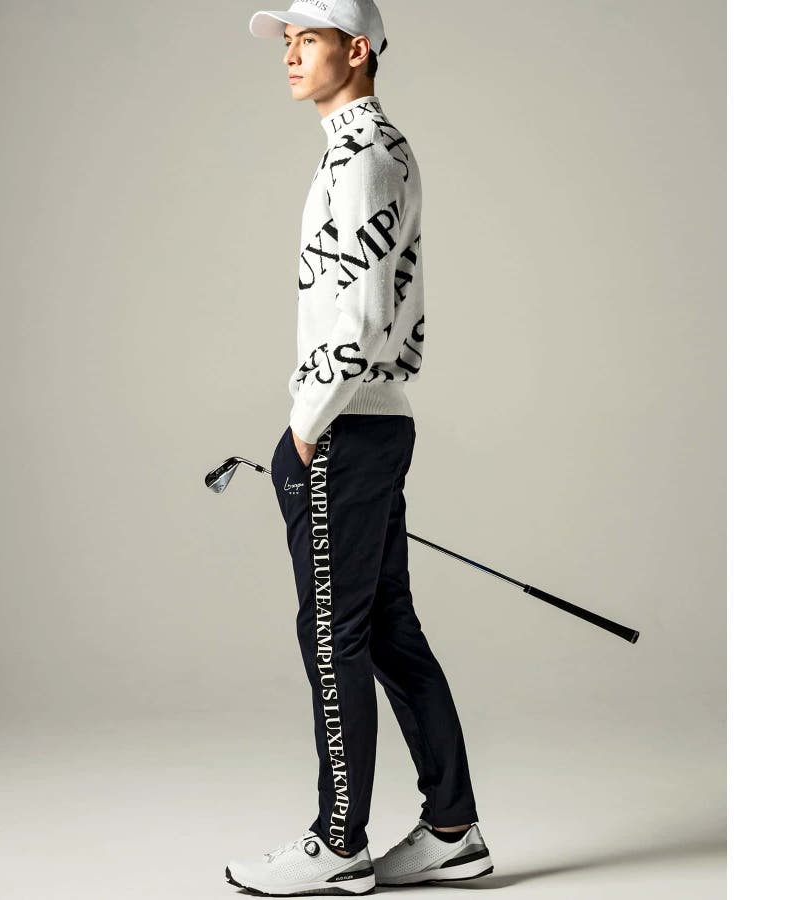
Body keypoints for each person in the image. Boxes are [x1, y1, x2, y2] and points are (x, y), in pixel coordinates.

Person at [226, 2, 493, 894]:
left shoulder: (367, 153)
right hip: (363, 420)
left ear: (359, 48)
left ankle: (338, 841)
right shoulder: (359, 148)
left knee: (334, 635)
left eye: (308, 40)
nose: (291, 55)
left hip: (344, 424)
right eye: (288, 42)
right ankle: (452, 828)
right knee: (382, 628)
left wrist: (306, 427)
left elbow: (365, 313)